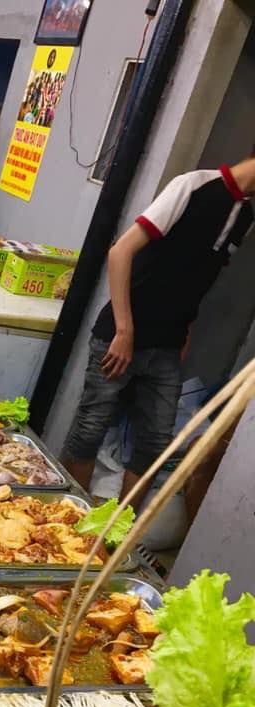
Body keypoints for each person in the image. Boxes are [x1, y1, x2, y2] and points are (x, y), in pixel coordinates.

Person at [62, 154, 255, 509]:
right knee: (91, 428)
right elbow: (120, 253)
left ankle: (119, 530)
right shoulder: (193, 186)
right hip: (120, 336)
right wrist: (124, 331)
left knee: (154, 444)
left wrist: (186, 330)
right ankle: (70, 517)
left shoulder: (245, 215)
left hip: (167, 346)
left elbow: (201, 276)